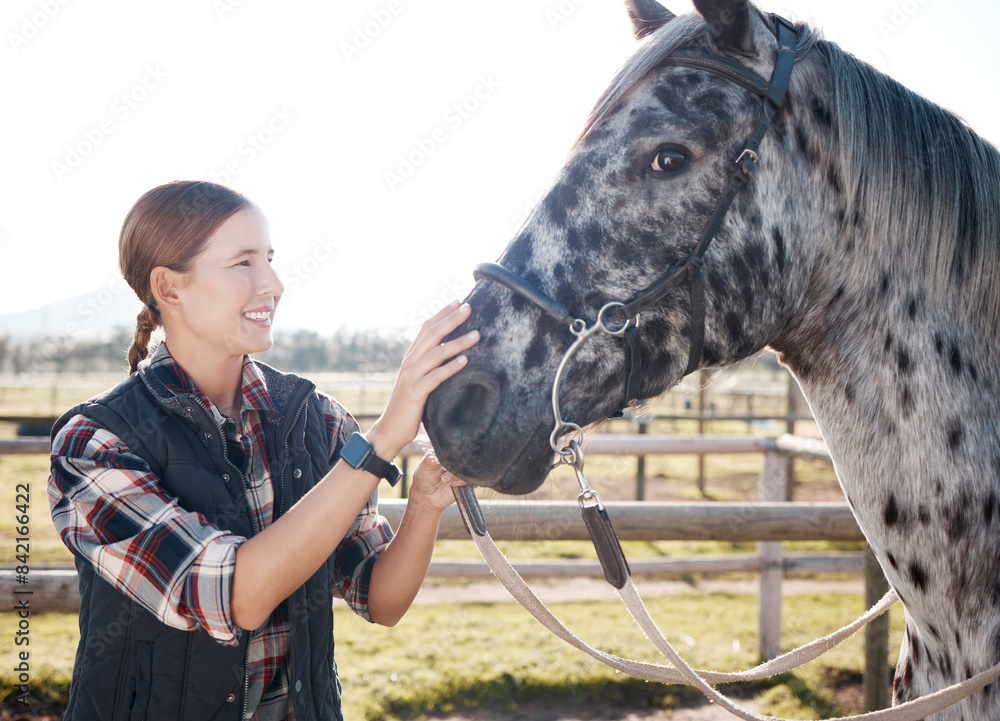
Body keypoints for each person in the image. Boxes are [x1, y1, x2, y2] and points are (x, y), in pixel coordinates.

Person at [47, 180, 480, 721]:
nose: (273, 283)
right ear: (169, 287)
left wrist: (423, 506)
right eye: (243, 263)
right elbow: (234, 596)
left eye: (270, 259)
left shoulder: (317, 419)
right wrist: (380, 442)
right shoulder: (94, 444)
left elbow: (381, 598)